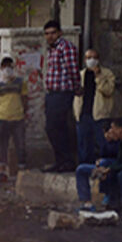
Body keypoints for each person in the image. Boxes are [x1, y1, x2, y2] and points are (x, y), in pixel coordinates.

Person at [76, 118, 122, 217]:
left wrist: (111, 168)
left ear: (121, 130)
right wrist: (107, 169)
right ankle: (112, 204)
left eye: (113, 128)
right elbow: (120, 161)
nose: (111, 131)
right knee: (116, 173)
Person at [42, 20, 78, 172]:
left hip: (63, 94)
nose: (50, 36)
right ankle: (61, 161)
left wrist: (77, 87)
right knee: (54, 128)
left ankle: (67, 161)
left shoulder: (66, 47)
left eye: (53, 33)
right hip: (52, 93)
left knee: (55, 127)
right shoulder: (51, 49)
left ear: (59, 33)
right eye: (47, 34)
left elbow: (72, 69)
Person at [74, 48, 116, 166]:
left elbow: (108, 91)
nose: (91, 60)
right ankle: (84, 168)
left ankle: (104, 166)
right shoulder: (80, 75)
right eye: (88, 58)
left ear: (98, 59)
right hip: (83, 114)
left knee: (102, 143)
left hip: (100, 114)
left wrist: (98, 77)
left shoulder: (107, 74)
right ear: (84, 60)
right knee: (84, 144)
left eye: (94, 58)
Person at [0, 57, 27, 183]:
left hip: (18, 118)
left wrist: (21, 111)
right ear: (1, 68)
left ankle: (21, 173)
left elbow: (24, 98)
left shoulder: (20, 82)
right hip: (3, 118)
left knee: (20, 145)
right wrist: (3, 110)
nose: (7, 69)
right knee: (2, 147)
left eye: (10, 67)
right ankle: (2, 172)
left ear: (13, 68)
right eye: (5, 67)